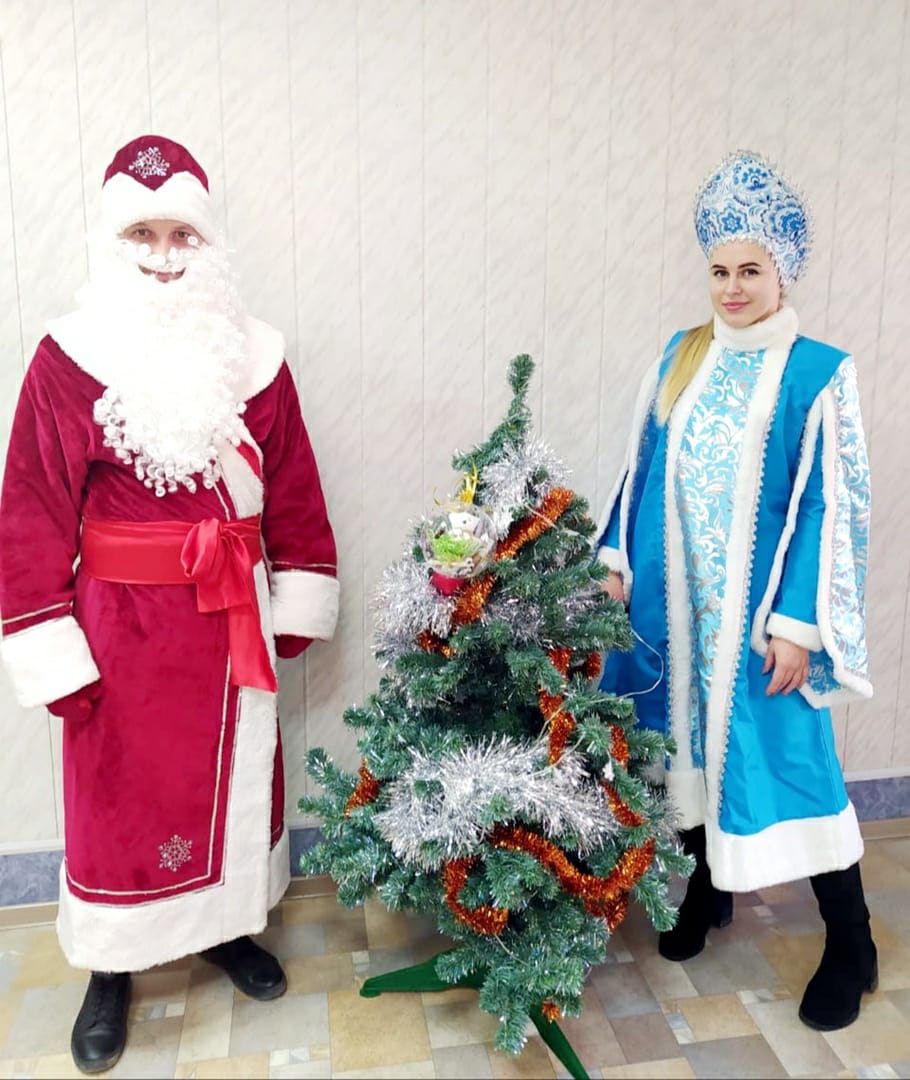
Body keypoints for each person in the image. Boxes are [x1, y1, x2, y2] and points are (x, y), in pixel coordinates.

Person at [0, 135, 339, 1073]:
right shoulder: (68, 358)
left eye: (181, 233)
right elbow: (30, 511)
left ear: (209, 243)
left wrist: (299, 591)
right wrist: (48, 645)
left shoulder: (257, 355)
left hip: (230, 625)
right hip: (118, 633)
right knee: (116, 805)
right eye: (141, 234)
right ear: (112, 246)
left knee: (229, 785)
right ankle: (111, 965)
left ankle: (226, 926)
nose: (161, 255)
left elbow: (294, 485)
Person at [595, 150, 875, 1032]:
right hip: (677, 610)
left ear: (782, 272)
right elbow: (641, 469)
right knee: (682, 745)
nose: (733, 288)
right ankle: (707, 887)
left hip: (757, 622)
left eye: (750, 271)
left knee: (792, 760)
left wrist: (797, 624)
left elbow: (831, 502)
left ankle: (853, 941)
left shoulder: (815, 372)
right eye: (719, 271)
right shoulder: (682, 356)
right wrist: (615, 558)